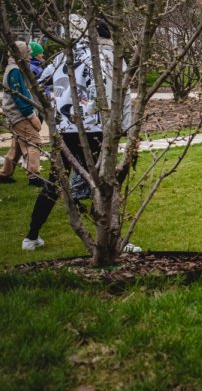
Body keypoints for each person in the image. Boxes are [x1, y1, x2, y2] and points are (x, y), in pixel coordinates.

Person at [22, 19, 136, 251]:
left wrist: (53, 111)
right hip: (95, 128)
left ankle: (31, 236)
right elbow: (123, 93)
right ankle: (112, 239)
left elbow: (40, 82)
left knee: (55, 181)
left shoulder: (65, 56)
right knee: (103, 185)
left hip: (66, 129)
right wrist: (123, 127)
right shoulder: (111, 57)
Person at [0, 41, 43, 187]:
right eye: (28, 53)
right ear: (21, 54)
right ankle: (34, 175)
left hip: (14, 114)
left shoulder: (14, 68)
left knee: (17, 144)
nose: (30, 56)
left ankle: (5, 173)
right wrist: (31, 116)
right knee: (34, 141)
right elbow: (19, 96)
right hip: (19, 115)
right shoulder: (15, 71)